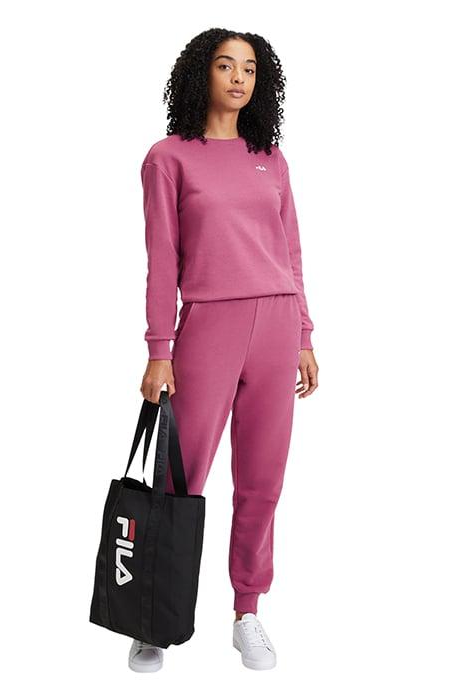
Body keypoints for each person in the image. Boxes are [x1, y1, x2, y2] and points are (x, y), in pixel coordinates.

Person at [132, 28, 319, 673]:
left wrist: (304, 334)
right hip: (208, 325)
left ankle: (247, 611)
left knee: (263, 480)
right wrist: (159, 348)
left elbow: (291, 251)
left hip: (277, 324)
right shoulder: (168, 158)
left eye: (250, 68)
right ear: (200, 74)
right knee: (179, 476)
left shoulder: (271, 158)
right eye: (225, 65)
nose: (239, 78)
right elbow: (162, 261)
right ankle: (153, 614)